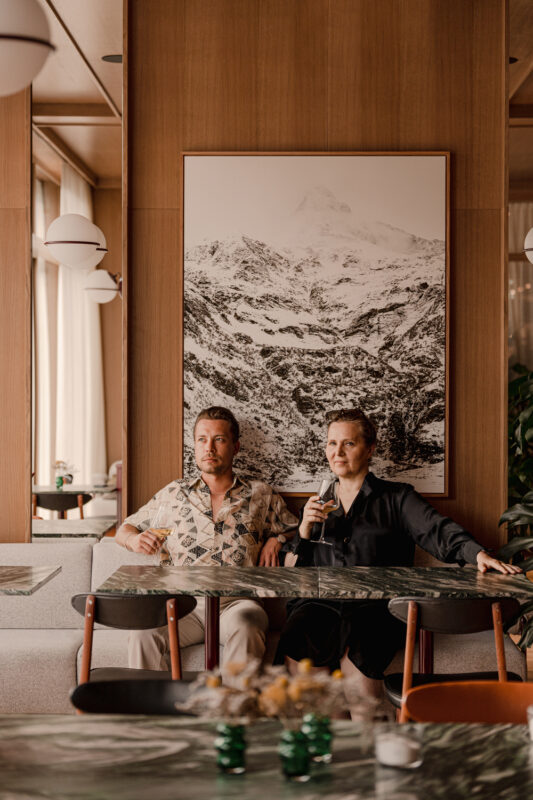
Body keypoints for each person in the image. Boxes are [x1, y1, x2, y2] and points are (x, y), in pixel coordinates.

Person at [276, 408, 521, 701]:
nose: (337, 452)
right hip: (320, 602)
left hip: (377, 607)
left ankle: (368, 741)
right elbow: (290, 568)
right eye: (331, 443)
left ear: (370, 449)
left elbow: (436, 529)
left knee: (360, 667)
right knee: (300, 651)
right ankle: (332, 742)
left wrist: (476, 553)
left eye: (348, 443)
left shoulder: (397, 497)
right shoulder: (317, 502)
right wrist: (303, 529)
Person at [116, 406, 298, 670]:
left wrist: (277, 539)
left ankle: (232, 710)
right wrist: (134, 541)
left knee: (248, 627)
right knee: (143, 633)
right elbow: (125, 529)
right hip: (181, 605)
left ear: (235, 447)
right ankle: (151, 711)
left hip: (237, 603)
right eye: (202, 439)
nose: (209, 448)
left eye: (219, 440)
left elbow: (296, 527)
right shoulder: (174, 493)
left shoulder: (261, 494)